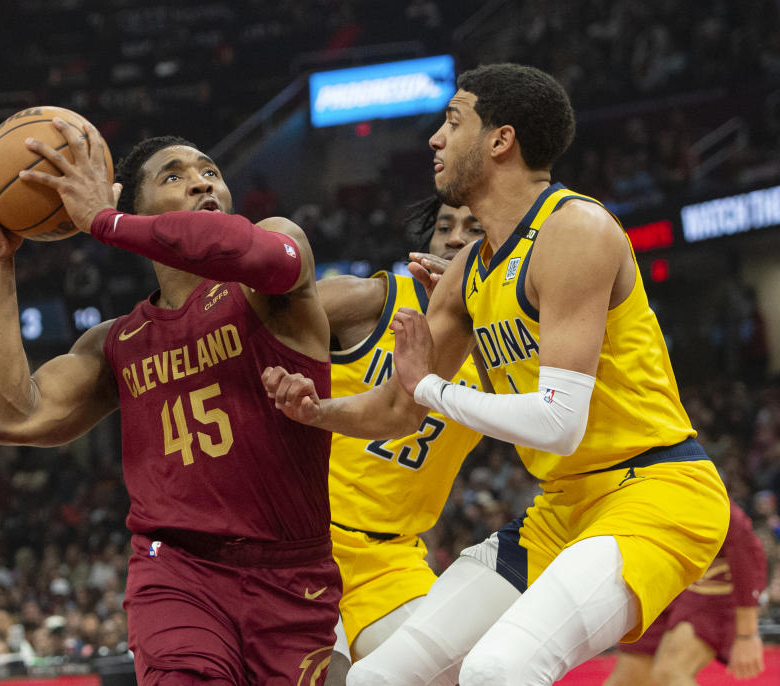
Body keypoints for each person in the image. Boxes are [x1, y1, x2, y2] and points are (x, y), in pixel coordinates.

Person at [262, 62, 730, 685]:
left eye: (452, 122)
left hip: (655, 493)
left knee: (496, 669)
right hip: (563, 508)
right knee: (376, 679)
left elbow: (559, 424)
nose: (434, 138)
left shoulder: (576, 229)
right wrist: (317, 413)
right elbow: (401, 413)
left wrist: (432, 386)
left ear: (500, 141)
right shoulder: (465, 274)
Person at [0, 124, 340, 684]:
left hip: (292, 574)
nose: (201, 183)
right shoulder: (116, 342)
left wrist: (106, 221)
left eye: (210, 172)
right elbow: (10, 415)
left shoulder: (271, 272)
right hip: (176, 571)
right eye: (175, 175)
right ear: (135, 207)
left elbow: (255, 252)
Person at [321, 198, 487, 684]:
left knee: (460, 675)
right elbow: (261, 313)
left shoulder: (504, 349)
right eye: (444, 227)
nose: (454, 238)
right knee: (324, 675)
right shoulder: (378, 299)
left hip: (390, 560)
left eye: (473, 228)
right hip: (303, 537)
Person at [604, 501, 767, 686]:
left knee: (669, 674)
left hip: (712, 588)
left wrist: (747, 635)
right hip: (665, 584)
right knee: (627, 680)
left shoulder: (710, 499)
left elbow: (747, 554)